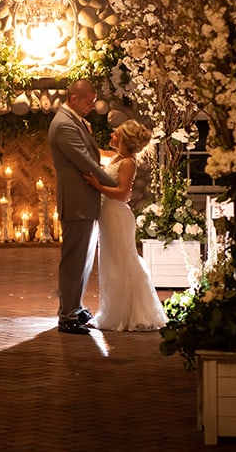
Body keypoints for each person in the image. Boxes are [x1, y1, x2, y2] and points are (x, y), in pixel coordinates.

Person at [83, 120, 168, 331]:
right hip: (107, 216)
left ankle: (132, 313)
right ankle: (113, 311)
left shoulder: (128, 162)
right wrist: (86, 133)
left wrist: (97, 186)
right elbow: (94, 152)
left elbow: (122, 194)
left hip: (117, 216)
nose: (112, 134)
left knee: (123, 261)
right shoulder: (115, 157)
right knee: (110, 264)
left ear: (124, 140)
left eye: (116, 133)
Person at [48, 79, 117, 335]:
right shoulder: (64, 125)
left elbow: (93, 156)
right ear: (74, 98)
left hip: (85, 201)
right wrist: (118, 187)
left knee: (84, 258)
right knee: (74, 259)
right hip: (77, 202)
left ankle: (74, 306)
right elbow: (86, 162)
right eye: (89, 101)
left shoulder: (74, 120)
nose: (92, 106)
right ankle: (67, 316)